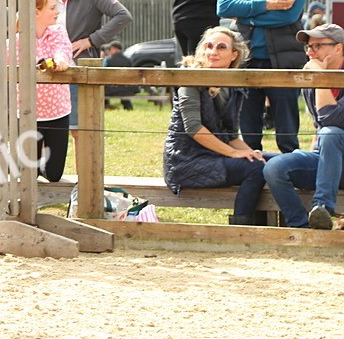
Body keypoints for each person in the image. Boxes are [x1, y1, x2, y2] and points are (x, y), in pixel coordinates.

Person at [216, 0, 311, 154]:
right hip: (245, 58)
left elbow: (289, 17)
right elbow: (223, 7)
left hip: (284, 59)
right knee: (248, 136)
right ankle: (252, 184)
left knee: (288, 136)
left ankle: (292, 185)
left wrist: (245, 14)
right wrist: (266, 4)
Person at [162, 26, 271, 225]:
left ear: (233, 55)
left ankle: (275, 223)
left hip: (214, 154)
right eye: (209, 46)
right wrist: (232, 153)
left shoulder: (233, 85)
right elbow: (193, 128)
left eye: (221, 47)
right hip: (186, 161)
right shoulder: (190, 79)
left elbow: (231, 135)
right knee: (254, 168)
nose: (213, 52)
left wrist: (251, 153)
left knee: (273, 162)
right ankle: (241, 226)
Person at [42, 0, 131, 135]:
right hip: (48, 68)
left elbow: (123, 16)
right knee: (47, 130)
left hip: (78, 67)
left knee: (78, 130)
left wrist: (92, 40)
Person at [262, 24, 344, 230]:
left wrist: (320, 78)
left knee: (331, 133)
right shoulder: (312, 78)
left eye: (317, 46)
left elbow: (330, 120)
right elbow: (320, 126)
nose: (310, 52)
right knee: (273, 166)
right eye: (308, 47)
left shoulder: (317, 76)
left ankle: (322, 206)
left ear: (339, 48)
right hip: (326, 160)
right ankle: (303, 227)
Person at [31, 0, 74, 181]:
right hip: (27, 113)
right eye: (52, 8)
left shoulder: (58, 31)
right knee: (27, 173)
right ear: (35, 11)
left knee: (54, 174)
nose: (57, 12)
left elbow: (63, 49)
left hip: (58, 111)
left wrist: (61, 61)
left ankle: (39, 167)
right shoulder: (19, 39)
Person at [101, 40, 137, 110]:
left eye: (110, 49)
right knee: (124, 91)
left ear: (115, 49)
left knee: (102, 88)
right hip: (128, 90)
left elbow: (102, 72)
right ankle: (128, 108)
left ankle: (106, 106)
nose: (108, 51)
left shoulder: (107, 60)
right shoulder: (128, 60)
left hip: (111, 89)